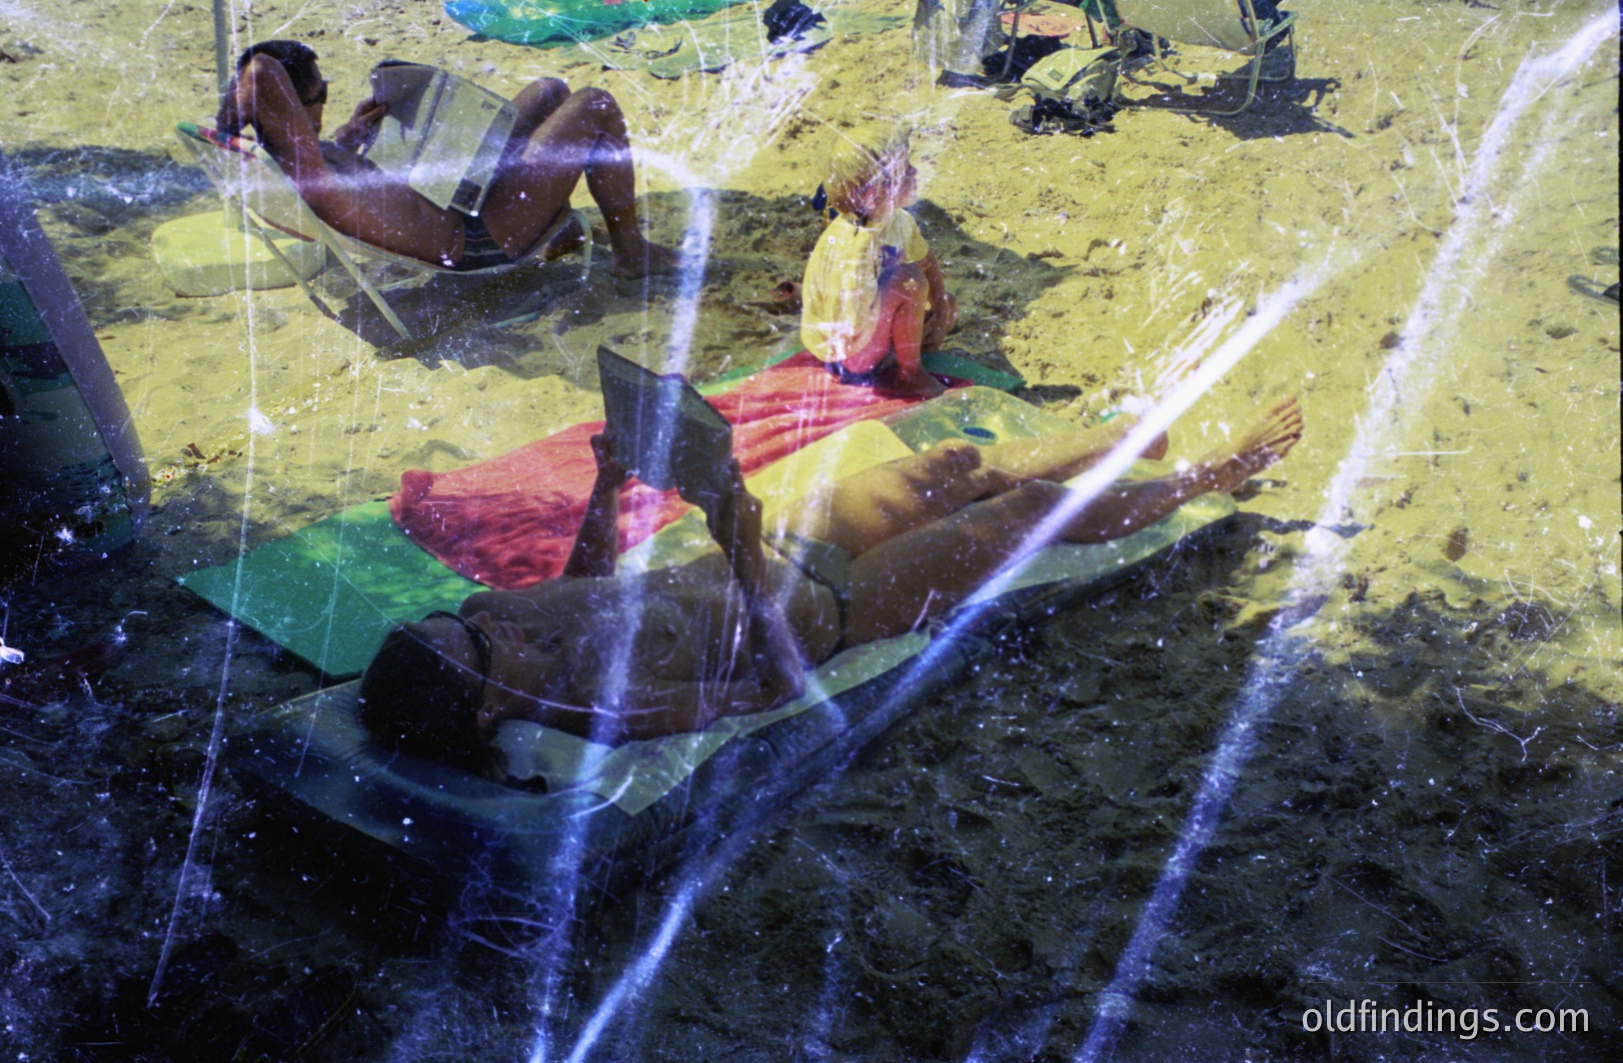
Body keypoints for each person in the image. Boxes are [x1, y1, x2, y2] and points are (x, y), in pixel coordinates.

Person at [357, 397, 1304, 773]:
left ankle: (1135, 436)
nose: (499, 632)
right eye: (487, 654)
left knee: (947, 463)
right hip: (834, 607)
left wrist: (610, 480)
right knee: (1016, 519)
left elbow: (585, 583)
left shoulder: (484, 617)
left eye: (471, 626)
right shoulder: (608, 707)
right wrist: (735, 545)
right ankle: (1211, 475)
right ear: (489, 712)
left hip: (764, 552)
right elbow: (773, 688)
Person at [214, 40, 679, 278]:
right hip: (478, 236)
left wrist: (348, 137)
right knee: (594, 104)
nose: (323, 102)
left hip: (455, 200)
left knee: (548, 91)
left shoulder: (307, 159)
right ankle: (630, 252)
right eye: (318, 96)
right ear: (289, 106)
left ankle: (559, 225)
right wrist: (236, 104)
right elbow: (260, 73)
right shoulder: (305, 164)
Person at [799, 123, 957, 398]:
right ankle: (911, 375)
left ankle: (901, 358)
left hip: (869, 333)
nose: (915, 172)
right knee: (908, 281)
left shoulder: (899, 221)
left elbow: (925, 259)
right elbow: (845, 320)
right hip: (847, 352)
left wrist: (939, 303)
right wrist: (892, 341)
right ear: (875, 192)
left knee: (945, 302)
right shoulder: (853, 243)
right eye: (905, 169)